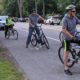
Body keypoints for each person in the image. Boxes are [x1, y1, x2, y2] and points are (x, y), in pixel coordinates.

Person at [62, 4, 80, 75]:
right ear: (69, 11)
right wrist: (71, 37)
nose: (75, 12)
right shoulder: (65, 19)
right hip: (67, 38)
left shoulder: (74, 17)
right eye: (73, 11)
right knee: (66, 53)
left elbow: (79, 22)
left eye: (75, 11)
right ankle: (65, 67)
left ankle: (77, 56)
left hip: (74, 35)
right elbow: (64, 30)